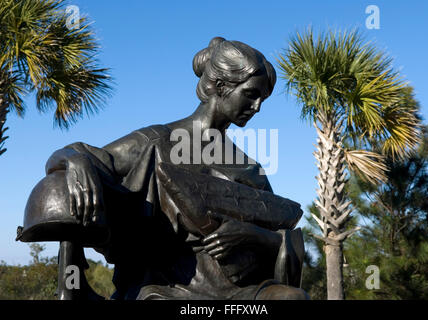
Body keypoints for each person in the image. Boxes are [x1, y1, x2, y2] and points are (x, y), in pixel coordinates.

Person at [42, 37, 309, 300]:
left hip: (241, 289)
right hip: (166, 285)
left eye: (262, 99)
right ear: (220, 86)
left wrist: (252, 235)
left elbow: (281, 237)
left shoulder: (249, 167)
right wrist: (73, 160)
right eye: (251, 95)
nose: (257, 107)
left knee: (292, 298)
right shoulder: (157, 142)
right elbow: (78, 155)